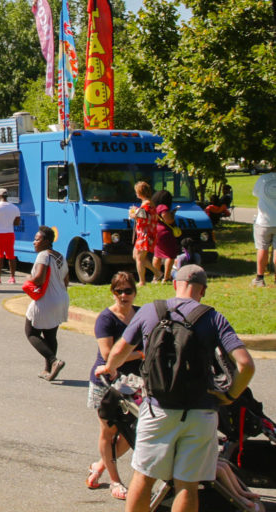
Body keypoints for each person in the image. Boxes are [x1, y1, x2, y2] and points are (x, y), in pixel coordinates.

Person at [95, 265, 256, 512]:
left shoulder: (150, 311)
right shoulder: (214, 318)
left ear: (174, 285)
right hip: (200, 412)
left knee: (144, 477)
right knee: (187, 485)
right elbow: (245, 364)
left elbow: (116, 352)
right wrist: (229, 396)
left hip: (157, 409)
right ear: (202, 290)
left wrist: (110, 369)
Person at [85, 271, 142, 501]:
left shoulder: (140, 314)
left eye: (128, 290)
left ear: (135, 292)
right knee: (109, 433)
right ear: (112, 292)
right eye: (119, 291)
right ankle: (115, 480)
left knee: (131, 433)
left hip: (134, 384)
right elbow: (109, 356)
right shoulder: (106, 319)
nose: (123, 295)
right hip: (106, 382)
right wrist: (141, 354)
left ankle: (100, 466)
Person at [24, 226, 69, 381]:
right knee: (50, 335)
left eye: (37, 239)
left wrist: (28, 280)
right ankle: (48, 370)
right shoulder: (61, 256)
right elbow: (66, 280)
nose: (34, 242)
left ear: (47, 242)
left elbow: (39, 279)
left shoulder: (43, 255)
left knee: (31, 332)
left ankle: (54, 361)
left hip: (46, 300)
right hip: (61, 298)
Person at [0, 187, 21, 284]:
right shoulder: (15, 207)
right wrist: (9, 223)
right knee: (11, 256)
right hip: (10, 233)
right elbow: (17, 222)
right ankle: (12, 278)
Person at [130, 181, 161, 286]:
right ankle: (157, 272)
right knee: (136, 256)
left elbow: (143, 218)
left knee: (139, 258)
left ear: (140, 192)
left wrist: (133, 214)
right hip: (145, 233)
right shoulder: (149, 203)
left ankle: (142, 281)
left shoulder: (146, 205)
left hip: (145, 234)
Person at [251, 170, 276, 287]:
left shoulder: (263, 179)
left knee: (262, 248)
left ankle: (260, 278)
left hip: (264, 220)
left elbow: (256, 193)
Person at [152, 190, 179, 284]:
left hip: (156, 231)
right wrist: (172, 216)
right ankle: (166, 277)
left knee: (157, 255)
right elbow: (167, 219)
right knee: (170, 255)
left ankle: (156, 277)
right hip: (165, 232)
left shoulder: (154, 207)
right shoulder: (163, 207)